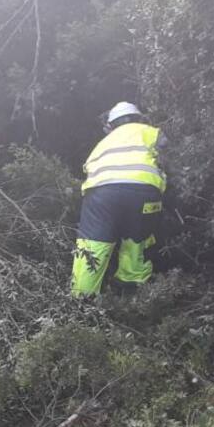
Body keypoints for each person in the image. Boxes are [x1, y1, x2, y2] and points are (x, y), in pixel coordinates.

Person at [71, 101, 167, 297]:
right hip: (144, 192)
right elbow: (169, 159)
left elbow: (88, 171)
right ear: (139, 118)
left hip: (100, 195)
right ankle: (131, 294)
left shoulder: (102, 144)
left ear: (111, 125)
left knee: (92, 246)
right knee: (137, 242)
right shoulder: (152, 132)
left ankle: (81, 300)